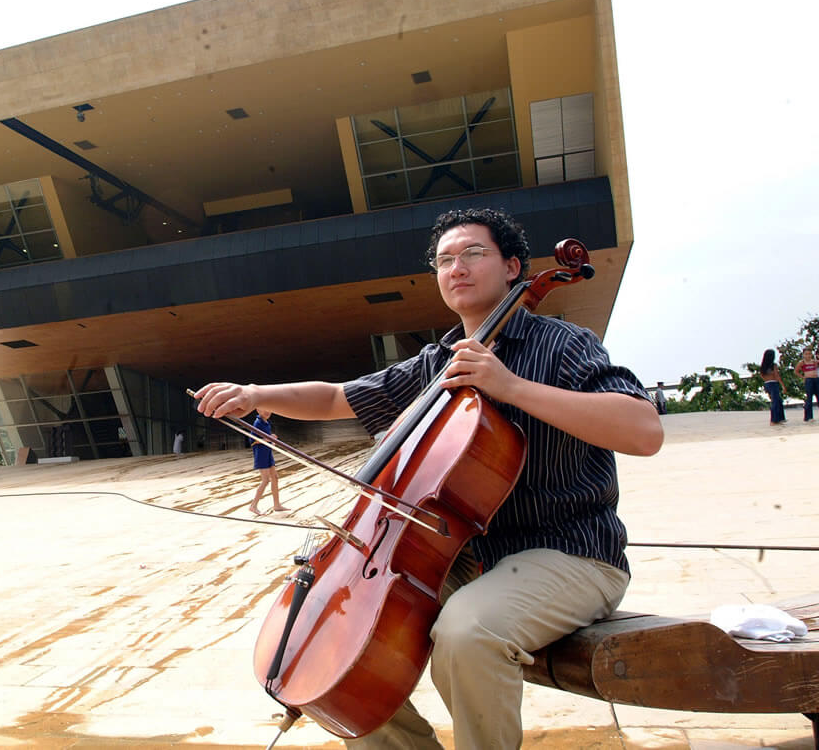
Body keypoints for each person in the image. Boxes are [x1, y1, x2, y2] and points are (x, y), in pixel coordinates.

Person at [195, 207, 663, 749]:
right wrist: (256, 396)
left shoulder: (563, 345)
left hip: (569, 552)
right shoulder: (435, 364)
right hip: (460, 559)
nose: (456, 267)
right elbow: (335, 396)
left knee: (465, 632)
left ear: (513, 267)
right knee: (333, 652)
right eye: (444, 260)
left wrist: (510, 387)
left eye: (473, 254)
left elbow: (643, 429)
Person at [248, 409, 287, 515]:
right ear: (258, 410)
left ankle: (277, 505)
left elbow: (266, 439)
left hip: (268, 453)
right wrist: (269, 438)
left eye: (269, 409)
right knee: (265, 480)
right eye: (264, 409)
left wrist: (271, 440)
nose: (267, 412)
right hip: (261, 454)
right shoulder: (258, 423)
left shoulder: (266, 423)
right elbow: (253, 440)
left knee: (275, 478)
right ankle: (253, 506)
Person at [761, 349, 787, 425]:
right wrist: (783, 385)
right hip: (773, 384)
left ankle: (780, 418)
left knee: (778, 401)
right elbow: (777, 376)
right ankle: (774, 420)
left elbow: (762, 376)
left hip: (767, 384)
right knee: (775, 402)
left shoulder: (763, 366)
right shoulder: (774, 365)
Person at [794, 347, 818, 422]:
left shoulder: (814, 362)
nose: (808, 355)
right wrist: (803, 377)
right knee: (809, 398)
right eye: (806, 354)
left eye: (810, 354)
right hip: (809, 380)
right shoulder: (802, 362)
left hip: (816, 379)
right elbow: (796, 371)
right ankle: (808, 417)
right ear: (803, 355)